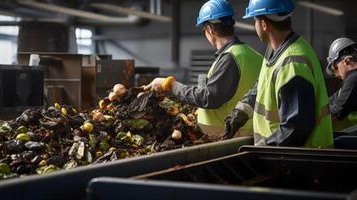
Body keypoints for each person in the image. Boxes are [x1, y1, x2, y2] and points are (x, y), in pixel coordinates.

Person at [144, 0, 263, 140]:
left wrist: (170, 84)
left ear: (209, 29)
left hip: (229, 137)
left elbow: (209, 98)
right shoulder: (254, 55)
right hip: (248, 134)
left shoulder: (230, 57)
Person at [224, 0, 333, 147]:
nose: (254, 25)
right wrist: (241, 111)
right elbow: (262, 85)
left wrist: (263, 147)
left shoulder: (292, 64)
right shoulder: (275, 49)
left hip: (301, 161)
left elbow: (296, 128)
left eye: (254, 20)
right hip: (281, 156)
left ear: (264, 24)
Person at [326, 37, 357, 131]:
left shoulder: (353, 78)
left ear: (347, 61)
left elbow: (337, 111)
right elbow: (333, 100)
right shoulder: (351, 79)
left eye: (335, 67)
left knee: (337, 141)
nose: (336, 74)